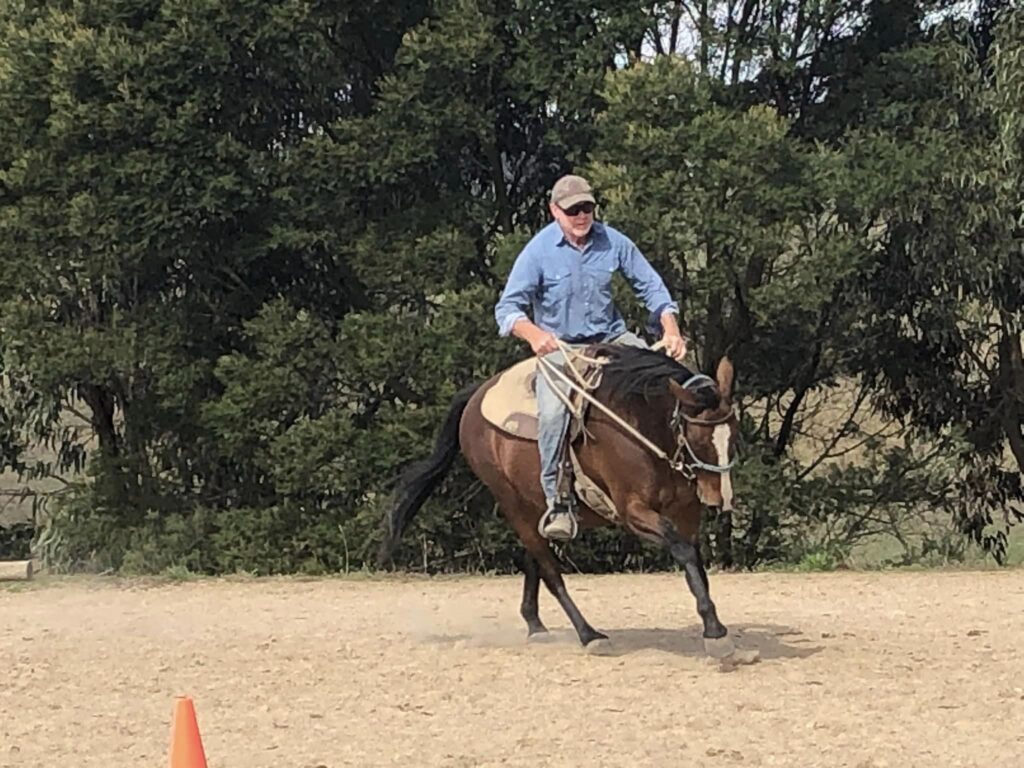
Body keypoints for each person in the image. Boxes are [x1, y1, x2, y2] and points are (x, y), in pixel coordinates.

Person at [494, 174, 687, 541]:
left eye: (587, 208)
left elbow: (652, 286)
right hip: (561, 347)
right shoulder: (537, 251)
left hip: (612, 338)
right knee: (552, 415)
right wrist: (535, 336)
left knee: (668, 380)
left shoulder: (614, 242)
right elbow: (508, 309)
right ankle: (558, 502)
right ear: (554, 211)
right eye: (573, 210)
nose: (582, 216)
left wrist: (671, 329)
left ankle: (686, 474)